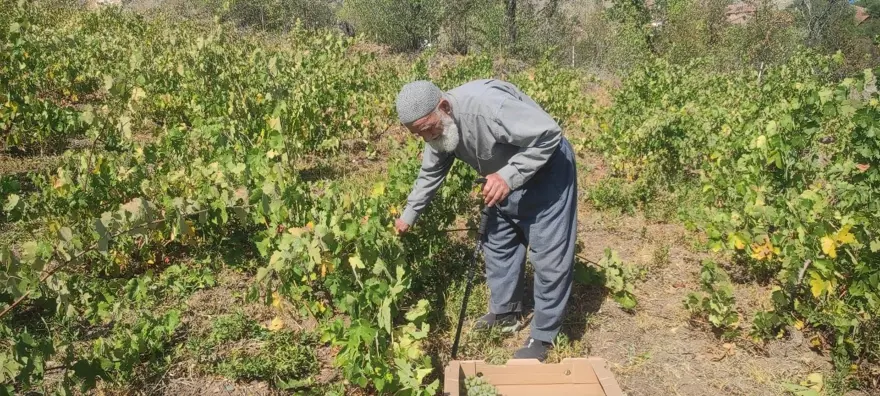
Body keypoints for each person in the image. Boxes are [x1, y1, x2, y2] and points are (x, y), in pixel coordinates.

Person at [393, 79, 578, 362]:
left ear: (443, 107)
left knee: (549, 255)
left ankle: (543, 336)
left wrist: (508, 176)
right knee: (498, 242)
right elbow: (431, 172)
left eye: (427, 129)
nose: (427, 138)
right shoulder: (438, 128)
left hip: (547, 169)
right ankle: (506, 312)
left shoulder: (488, 108)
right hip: (502, 177)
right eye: (419, 134)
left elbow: (549, 134)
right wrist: (408, 216)